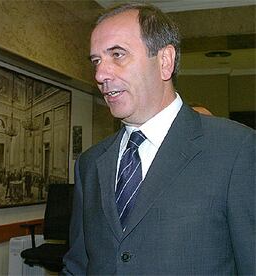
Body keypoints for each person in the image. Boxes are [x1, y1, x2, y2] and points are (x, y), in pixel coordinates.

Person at [62, 3, 255, 275]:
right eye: (96, 61)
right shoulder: (90, 164)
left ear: (165, 61)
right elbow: (78, 266)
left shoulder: (236, 150)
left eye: (117, 54)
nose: (100, 75)